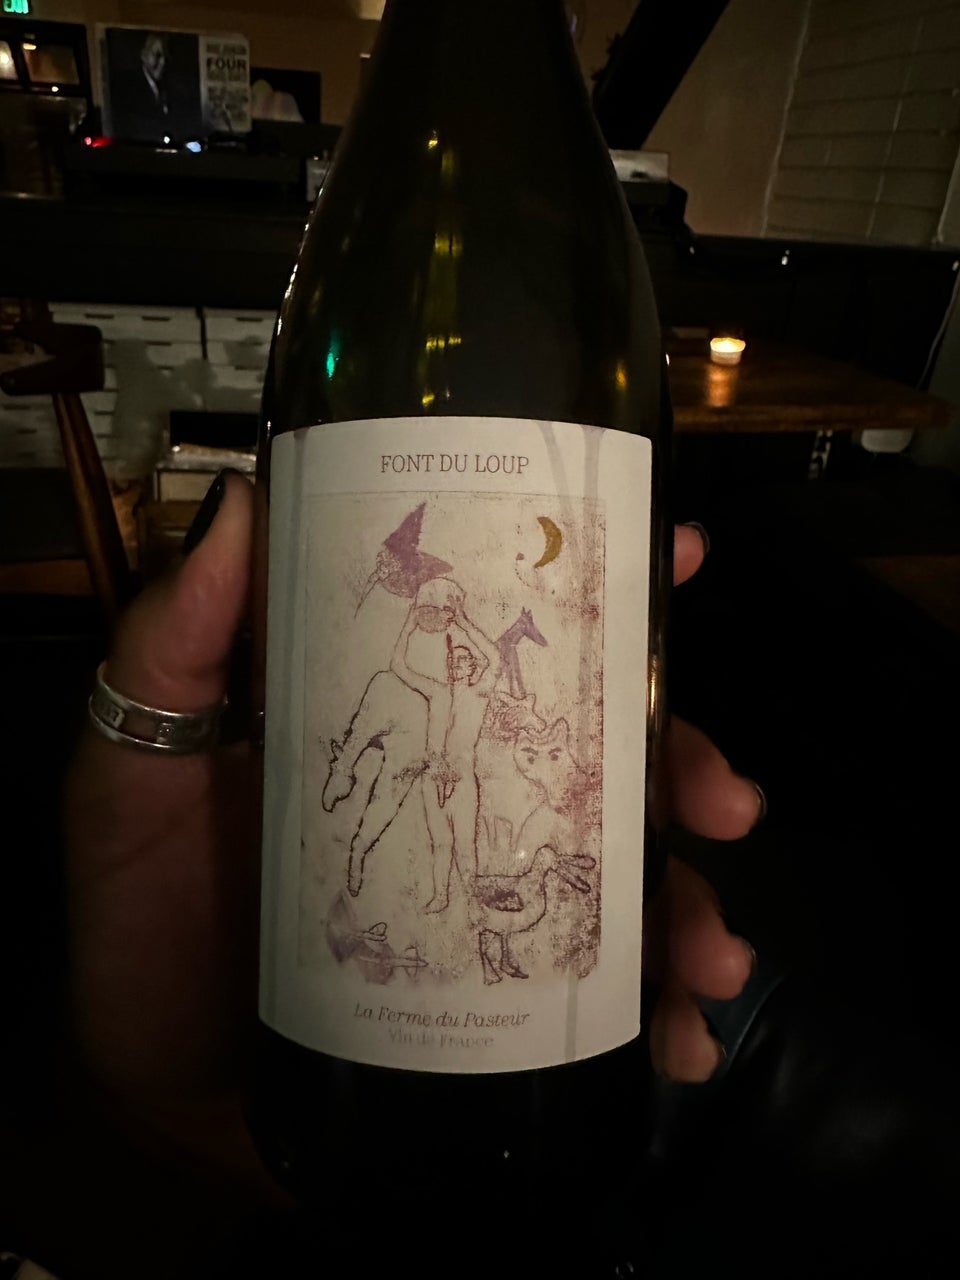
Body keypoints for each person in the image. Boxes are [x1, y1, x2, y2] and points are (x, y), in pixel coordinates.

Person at [8, 473, 762, 1276]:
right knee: (396, 828)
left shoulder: (468, 668)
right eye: (440, 616)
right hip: (413, 793)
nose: (448, 627)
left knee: (464, 844)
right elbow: (411, 658)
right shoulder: (417, 666)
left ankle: (438, 893)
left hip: (456, 791)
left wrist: (465, 635)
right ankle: (374, 843)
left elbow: (482, 663)